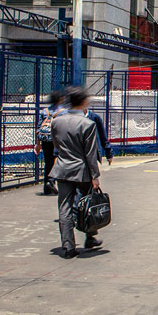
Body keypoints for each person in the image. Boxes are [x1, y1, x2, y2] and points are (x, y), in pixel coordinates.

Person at [49, 86, 103, 259]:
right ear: (82, 102)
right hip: (82, 171)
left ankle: (68, 245)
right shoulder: (87, 124)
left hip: (63, 168)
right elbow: (90, 153)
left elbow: (56, 145)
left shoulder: (57, 121)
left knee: (64, 207)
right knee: (88, 204)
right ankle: (90, 235)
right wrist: (95, 176)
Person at [35, 90, 65, 195]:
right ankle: (52, 181)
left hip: (45, 140)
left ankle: (46, 186)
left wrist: (38, 143)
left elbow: (39, 128)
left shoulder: (45, 111)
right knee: (57, 160)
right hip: (57, 140)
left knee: (48, 162)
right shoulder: (63, 112)